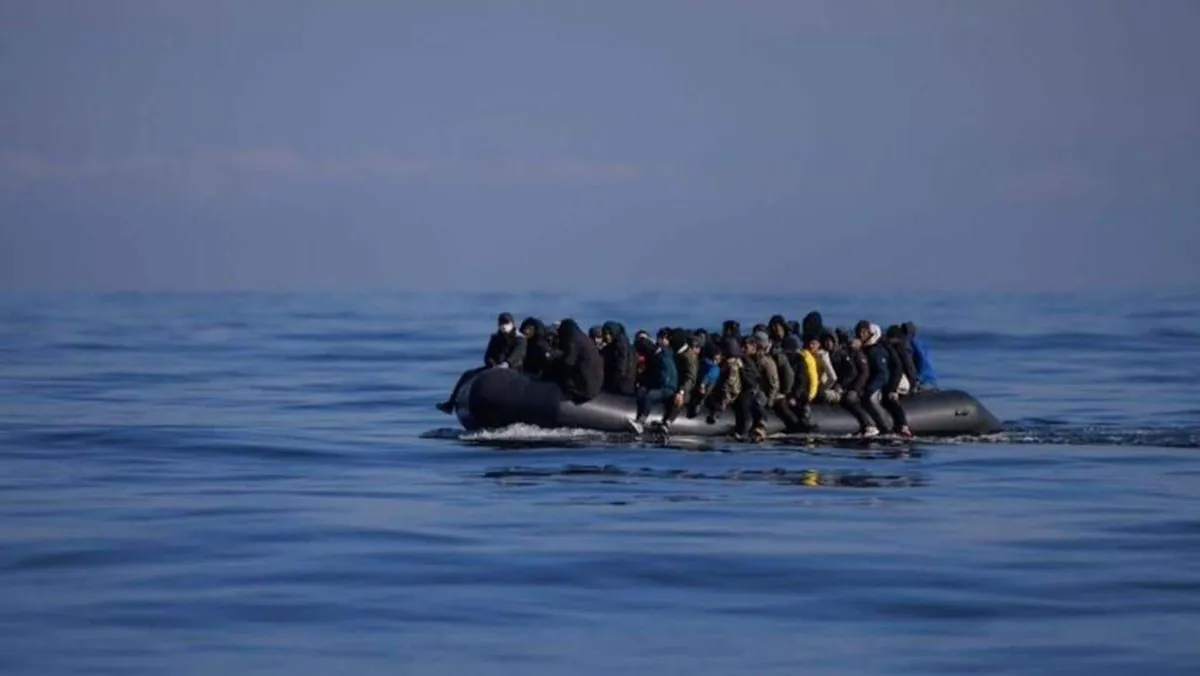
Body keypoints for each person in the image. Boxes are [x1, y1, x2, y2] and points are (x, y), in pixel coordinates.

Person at [436, 312, 526, 413]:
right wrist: (491, 363)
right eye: (501, 323)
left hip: (512, 369)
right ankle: (450, 404)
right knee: (467, 374)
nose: (504, 326)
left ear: (512, 324)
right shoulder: (496, 338)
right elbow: (488, 355)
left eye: (506, 323)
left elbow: (517, 355)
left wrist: (506, 364)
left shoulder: (519, 339)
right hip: (494, 367)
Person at [856, 320, 911, 437]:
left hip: (892, 382)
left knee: (872, 399)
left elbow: (883, 373)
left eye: (864, 332)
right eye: (859, 333)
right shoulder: (868, 349)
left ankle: (887, 427)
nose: (861, 335)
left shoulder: (877, 351)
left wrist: (871, 388)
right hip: (883, 382)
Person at [629, 328, 679, 432]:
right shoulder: (660, 354)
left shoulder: (664, 355)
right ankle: (639, 415)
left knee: (649, 396)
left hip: (668, 387)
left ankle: (641, 422)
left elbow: (666, 374)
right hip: (662, 384)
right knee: (642, 392)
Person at [553, 318, 605, 404]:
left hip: (584, 388)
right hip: (594, 385)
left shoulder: (574, 340)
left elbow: (568, 362)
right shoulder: (583, 339)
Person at [843, 328, 877, 436]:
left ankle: (869, 425)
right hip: (849, 386)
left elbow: (864, 373)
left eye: (853, 341)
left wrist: (855, 389)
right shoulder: (848, 354)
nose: (852, 344)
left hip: (858, 388)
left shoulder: (859, 355)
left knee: (851, 400)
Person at [663, 328, 698, 428]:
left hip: (686, 388)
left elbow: (691, 378)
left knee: (679, 399)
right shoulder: (675, 353)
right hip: (672, 383)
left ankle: (668, 422)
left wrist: (681, 391)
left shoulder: (690, 357)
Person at [600, 321, 637, 395]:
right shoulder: (627, 346)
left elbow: (621, 367)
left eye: (610, 333)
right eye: (606, 333)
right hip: (626, 385)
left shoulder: (619, 346)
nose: (607, 336)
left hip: (619, 386)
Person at [903, 321, 939, 390]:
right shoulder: (919, 342)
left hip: (925, 380)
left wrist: (918, 378)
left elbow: (921, 359)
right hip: (929, 379)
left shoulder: (913, 344)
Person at [887, 324, 918, 394]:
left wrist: (913, 385)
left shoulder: (902, 348)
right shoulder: (903, 345)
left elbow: (909, 367)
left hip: (901, 382)